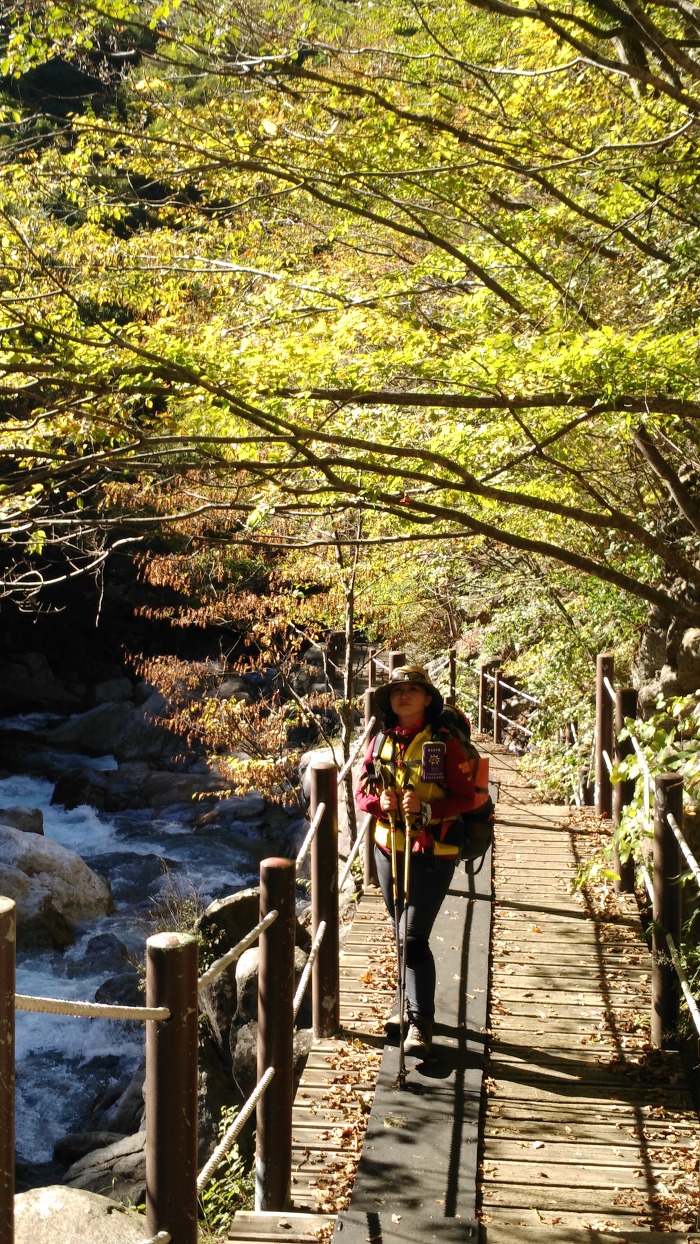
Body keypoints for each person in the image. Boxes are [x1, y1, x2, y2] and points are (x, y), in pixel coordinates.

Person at [355, 664, 476, 1057]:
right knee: (400, 932)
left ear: (427, 698)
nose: (403, 695)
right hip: (388, 849)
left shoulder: (444, 743)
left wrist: (427, 809)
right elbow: (361, 792)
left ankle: (422, 1023)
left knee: (412, 936)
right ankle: (407, 1008)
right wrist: (380, 802)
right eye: (396, 690)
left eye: (412, 689)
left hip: (432, 850)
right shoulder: (380, 740)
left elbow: (468, 797)